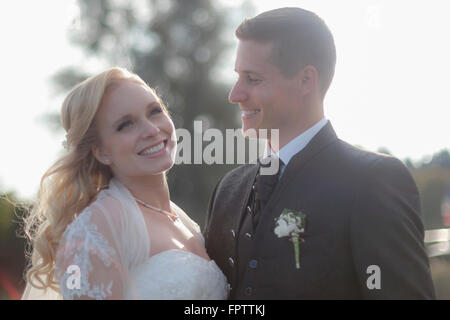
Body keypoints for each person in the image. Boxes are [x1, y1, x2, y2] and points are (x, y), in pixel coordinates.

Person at [204, 7, 436, 299]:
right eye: (237, 76)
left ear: (306, 80)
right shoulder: (228, 189)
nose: (235, 94)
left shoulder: (372, 182)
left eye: (252, 78)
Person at [22, 67, 228, 300]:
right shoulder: (101, 223)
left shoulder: (178, 217)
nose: (151, 130)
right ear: (101, 152)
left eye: (155, 111)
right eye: (125, 125)